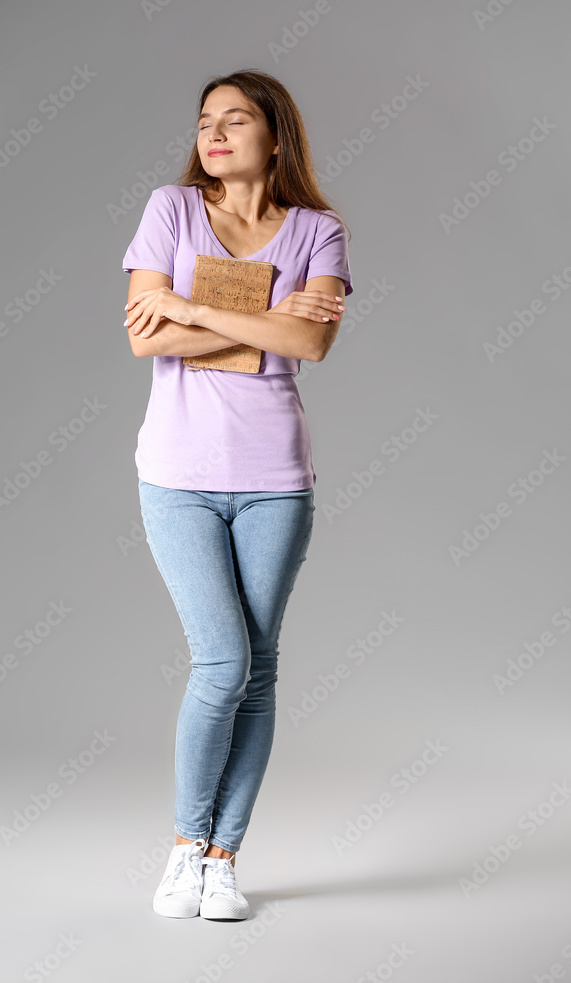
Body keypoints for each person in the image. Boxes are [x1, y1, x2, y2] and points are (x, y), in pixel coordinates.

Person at [122, 69, 353, 921]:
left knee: (258, 673)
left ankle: (223, 860)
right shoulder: (171, 210)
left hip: (274, 481)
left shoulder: (318, 230)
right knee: (222, 661)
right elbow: (146, 336)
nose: (213, 133)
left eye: (235, 119)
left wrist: (194, 312)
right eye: (204, 121)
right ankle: (185, 845)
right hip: (177, 475)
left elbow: (314, 346)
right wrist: (263, 328)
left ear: (276, 136)